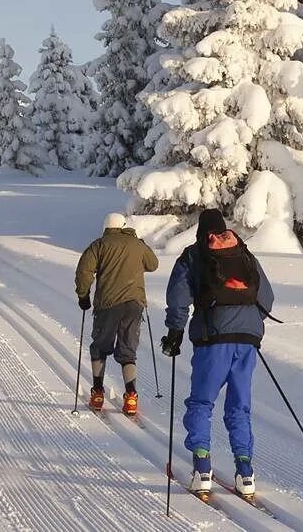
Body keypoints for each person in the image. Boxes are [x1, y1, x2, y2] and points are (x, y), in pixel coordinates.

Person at [159, 209, 274, 497]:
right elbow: (267, 297)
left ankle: (202, 468)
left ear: (201, 230)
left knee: (201, 402)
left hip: (213, 338)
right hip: (248, 339)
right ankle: (245, 472)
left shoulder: (194, 254)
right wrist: (250, 324)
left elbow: (178, 298)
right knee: (239, 406)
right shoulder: (242, 251)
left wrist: (175, 333)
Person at [74, 213, 159, 415]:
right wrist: (140, 244)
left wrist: (83, 296)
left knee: (101, 347)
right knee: (128, 349)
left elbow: (84, 271)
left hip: (108, 304)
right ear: (123, 226)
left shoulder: (99, 245)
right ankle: (131, 397)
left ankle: (97, 393)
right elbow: (153, 264)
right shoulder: (137, 244)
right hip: (134, 304)